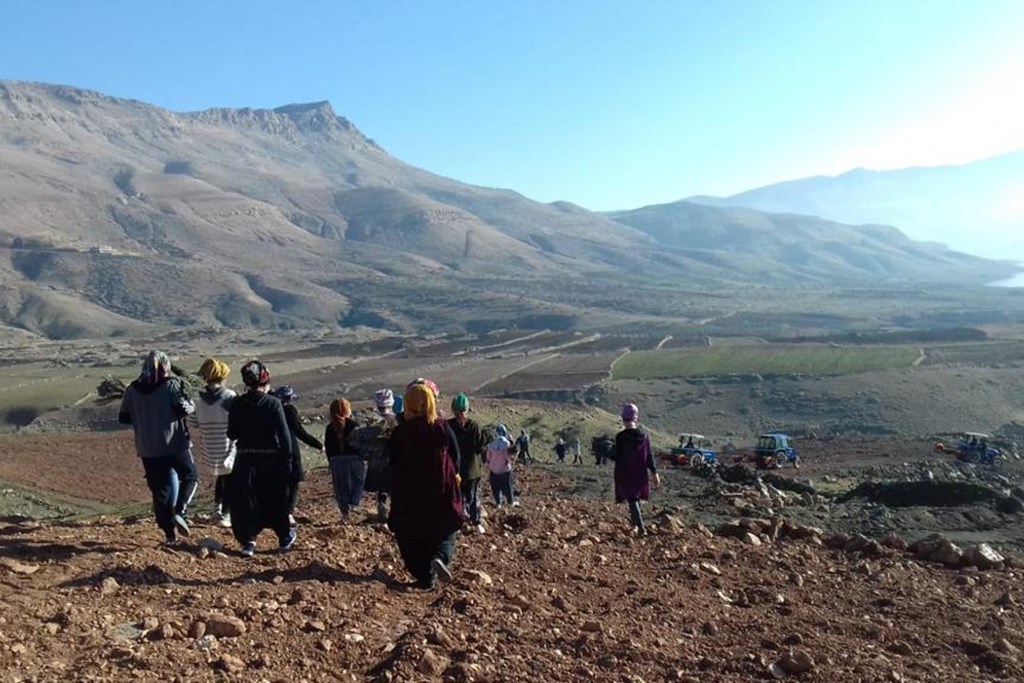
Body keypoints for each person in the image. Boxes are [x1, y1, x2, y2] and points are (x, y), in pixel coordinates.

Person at [388, 381, 463, 589]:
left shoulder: (400, 433)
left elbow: (393, 464)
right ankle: (440, 556)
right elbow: (456, 457)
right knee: (448, 525)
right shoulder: (441, 427)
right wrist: (453, 476)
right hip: (440, 489)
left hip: (409, 493)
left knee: (410, 534)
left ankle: (424, 576)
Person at [119, 351, 198, 545]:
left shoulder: (132, 390)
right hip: (175, 444)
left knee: (160, 492)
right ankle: (181, 510)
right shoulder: (171, 385)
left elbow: (124, 418)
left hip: (148, 449)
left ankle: (169, 535)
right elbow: (184, 409)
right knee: (190, 475)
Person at [226, 360, 295, 556]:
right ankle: (283, 538)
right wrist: (288, 461)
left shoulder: (237, 403)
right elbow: (284, 437)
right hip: (270, 461)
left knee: (246, 501)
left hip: (245, 459)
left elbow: (231, 433)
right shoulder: (273, 403)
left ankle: (249, 542)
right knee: (275, 499)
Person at [187, 358, 236, 528]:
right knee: (230, 479)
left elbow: (193, 422)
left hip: (209, 446)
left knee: (222, 478)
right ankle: (226, 514)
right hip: (227, 444)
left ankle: (217, 508)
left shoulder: (197, 398)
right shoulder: (229, 396)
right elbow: (236, 421)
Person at [272, 385, 324, 526]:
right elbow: (300, 432)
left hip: (273, 450)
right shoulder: (289, 410)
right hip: (290, 449)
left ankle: (277, 512)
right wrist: (318, 444)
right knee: (293, 482)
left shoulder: (270, 409)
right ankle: (288, 513)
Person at [613, 403, 660, 536]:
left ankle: (641, 529)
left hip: (626, 472)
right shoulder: (644, 435)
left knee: (632, 499)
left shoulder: (621, 437)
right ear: (636, 417)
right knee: (636, 498)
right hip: (640, 473)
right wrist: (654, 472)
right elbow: (649, 456)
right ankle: (636, 525)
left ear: (623, 418)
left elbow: (617, 456)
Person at [352, 389, 399, 522]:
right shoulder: (397, 421)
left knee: (381, 488)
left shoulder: (372, 423)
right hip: (393, 462)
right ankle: (394, 512)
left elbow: (356, 440)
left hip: (376, 462)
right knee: (393, 488)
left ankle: (382, 508)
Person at [447, 393, 487, 534]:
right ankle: (476, 523)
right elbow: (480, 446)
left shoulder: (449, 425)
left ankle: (460, 523)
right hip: (473, 470)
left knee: (458, 498)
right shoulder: (474, 426)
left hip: (455, 470)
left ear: (453, 409)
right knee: (474, 497)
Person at [324, 397, 364, 519]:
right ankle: (354, 505)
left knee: (341, 488)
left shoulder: (330, 427)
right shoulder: (354, 425)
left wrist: (330, 461)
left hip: (336, 461)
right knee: (358, 483)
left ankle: (345, 512)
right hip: (354, 459)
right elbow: (360, 444)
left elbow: (328, 447)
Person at [486, 424, 518, 508]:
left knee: (495, 487)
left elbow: (488, 457)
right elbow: (507, 457)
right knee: (508, 486)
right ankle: (511, 502)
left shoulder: (491, 444)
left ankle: (498, 503)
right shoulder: (506, 443)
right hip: (504, 470)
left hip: (494, 470)